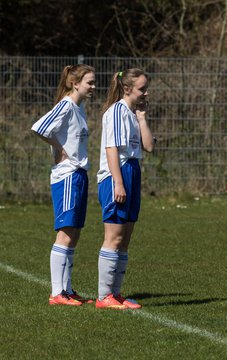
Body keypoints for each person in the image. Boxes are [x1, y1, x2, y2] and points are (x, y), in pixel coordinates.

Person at [31, 64, 95, 306]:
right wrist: (61, 150)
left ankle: (67, 290)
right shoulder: (67, 105)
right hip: (67, 175)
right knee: (66, 233)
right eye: (89, 82)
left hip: (78, 174)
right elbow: (39, 127)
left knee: (74, 233)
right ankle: (57, 293)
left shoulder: (79, 107)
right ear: (75, 83)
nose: (93, 86)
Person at [96, 68, 155, 309]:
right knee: (114, 237)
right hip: (117, 174)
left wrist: (142, 118)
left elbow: (149, 146)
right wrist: (118, 182)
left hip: (132, 170)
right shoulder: (116, 112)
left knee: (126, 238)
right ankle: (104, 296)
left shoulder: (132, 114)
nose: (146, 93)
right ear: (127, 88)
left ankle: (116, 294)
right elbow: (112, 150)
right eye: (142, 89)